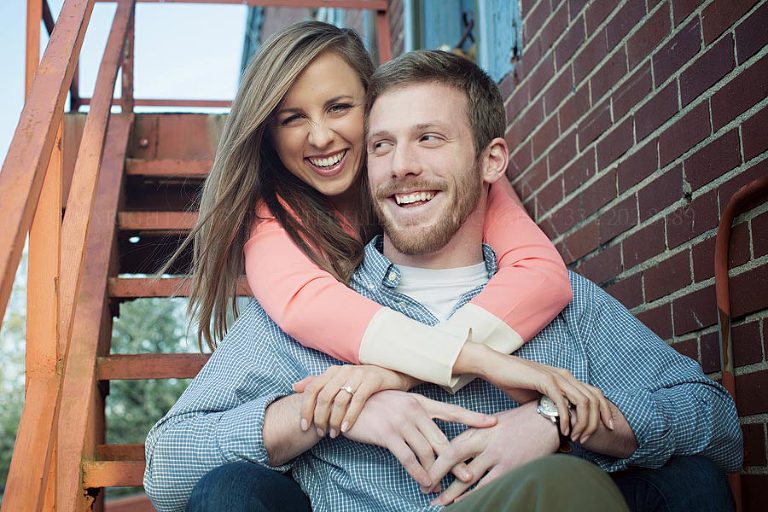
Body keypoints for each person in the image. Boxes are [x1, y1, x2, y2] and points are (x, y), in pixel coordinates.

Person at [144, 49, 743, 512]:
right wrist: (329, 413)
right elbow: (166, 464)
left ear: (491, 161)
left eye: (429, 138)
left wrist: (554, 424)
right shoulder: (306, 306)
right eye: (382, 145)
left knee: (688, 481)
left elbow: (716, 422)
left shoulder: (562, 301)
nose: (403, 165)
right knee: (230, 491)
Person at [167, 21, 602, 439]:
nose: (319, 137)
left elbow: (540, 274)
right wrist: (480, 361)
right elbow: (307, 307)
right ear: (269, 134)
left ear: (373, 104)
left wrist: (388, 375)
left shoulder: (451, 177)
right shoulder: (273, 219)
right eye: (292, 118)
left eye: (339, 107)